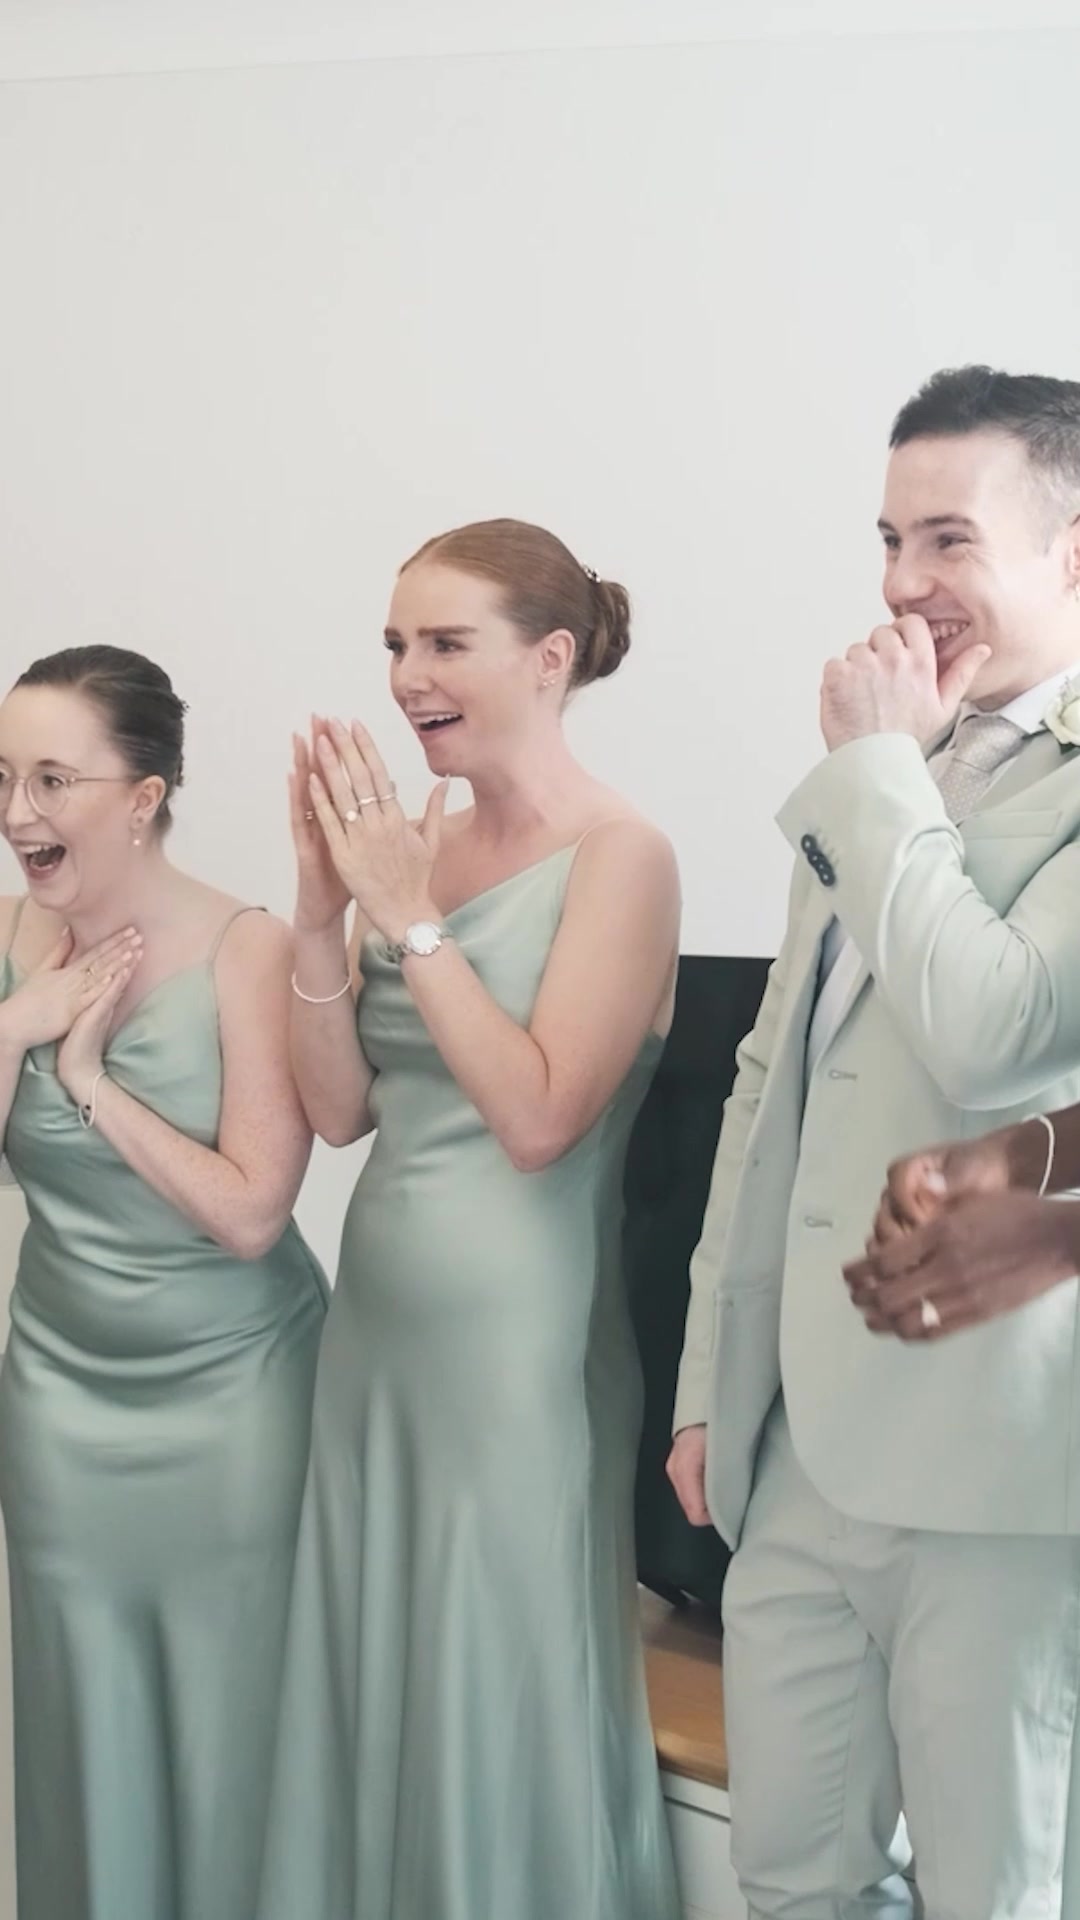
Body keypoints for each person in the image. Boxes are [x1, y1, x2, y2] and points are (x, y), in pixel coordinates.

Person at [666, 367, 1080, 1918]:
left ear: (1073, 552)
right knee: (792, 1885)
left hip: (1010, 1473)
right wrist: (718, 1380)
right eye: (890, 539)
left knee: (998, 1897)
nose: (904, 585)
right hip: (804, 1457)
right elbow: (772, 1093)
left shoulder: (881, 773)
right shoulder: (889, 773)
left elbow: (1004, 1026)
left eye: (950, 539)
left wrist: (878, 774)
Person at [257, 519, 682, 1920]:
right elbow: (338, 1112)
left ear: (549, 659)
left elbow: (541, 1115)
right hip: (377, 1336)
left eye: (445, 643)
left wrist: (408, 917)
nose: (406, 676)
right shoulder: (414, 842)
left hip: (519, 1353)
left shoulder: (624, 856)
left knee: (494, 1676)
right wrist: (327, 917)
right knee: (379, 1673)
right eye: (394, 643)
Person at [0, 645, 328, 1920]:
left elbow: (253, 1209)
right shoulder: (16, 933)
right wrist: (20, 1027)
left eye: (52, 779)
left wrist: (90, 1086)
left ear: (140, 797)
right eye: (4, 777)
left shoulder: (245, 949)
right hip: (60, 1404)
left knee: (230, 1724)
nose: (17, 812)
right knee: (84, 1722)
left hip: (234, 1401)